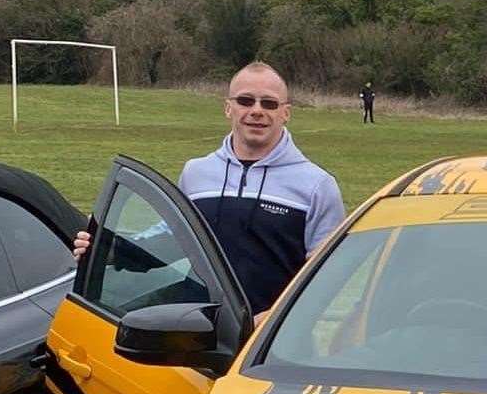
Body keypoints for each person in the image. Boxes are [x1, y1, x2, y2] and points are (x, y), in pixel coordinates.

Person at [73, 62, 343, 314]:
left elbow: (325, 276)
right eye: (245, 101)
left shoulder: (317, 185)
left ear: (285, 113)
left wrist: (274, 321)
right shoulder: (197, 173)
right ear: (228, 108)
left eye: (269, 103)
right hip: (202, 326)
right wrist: (107, 249)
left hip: (269, 341)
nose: (257, 111)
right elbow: (171, 240)